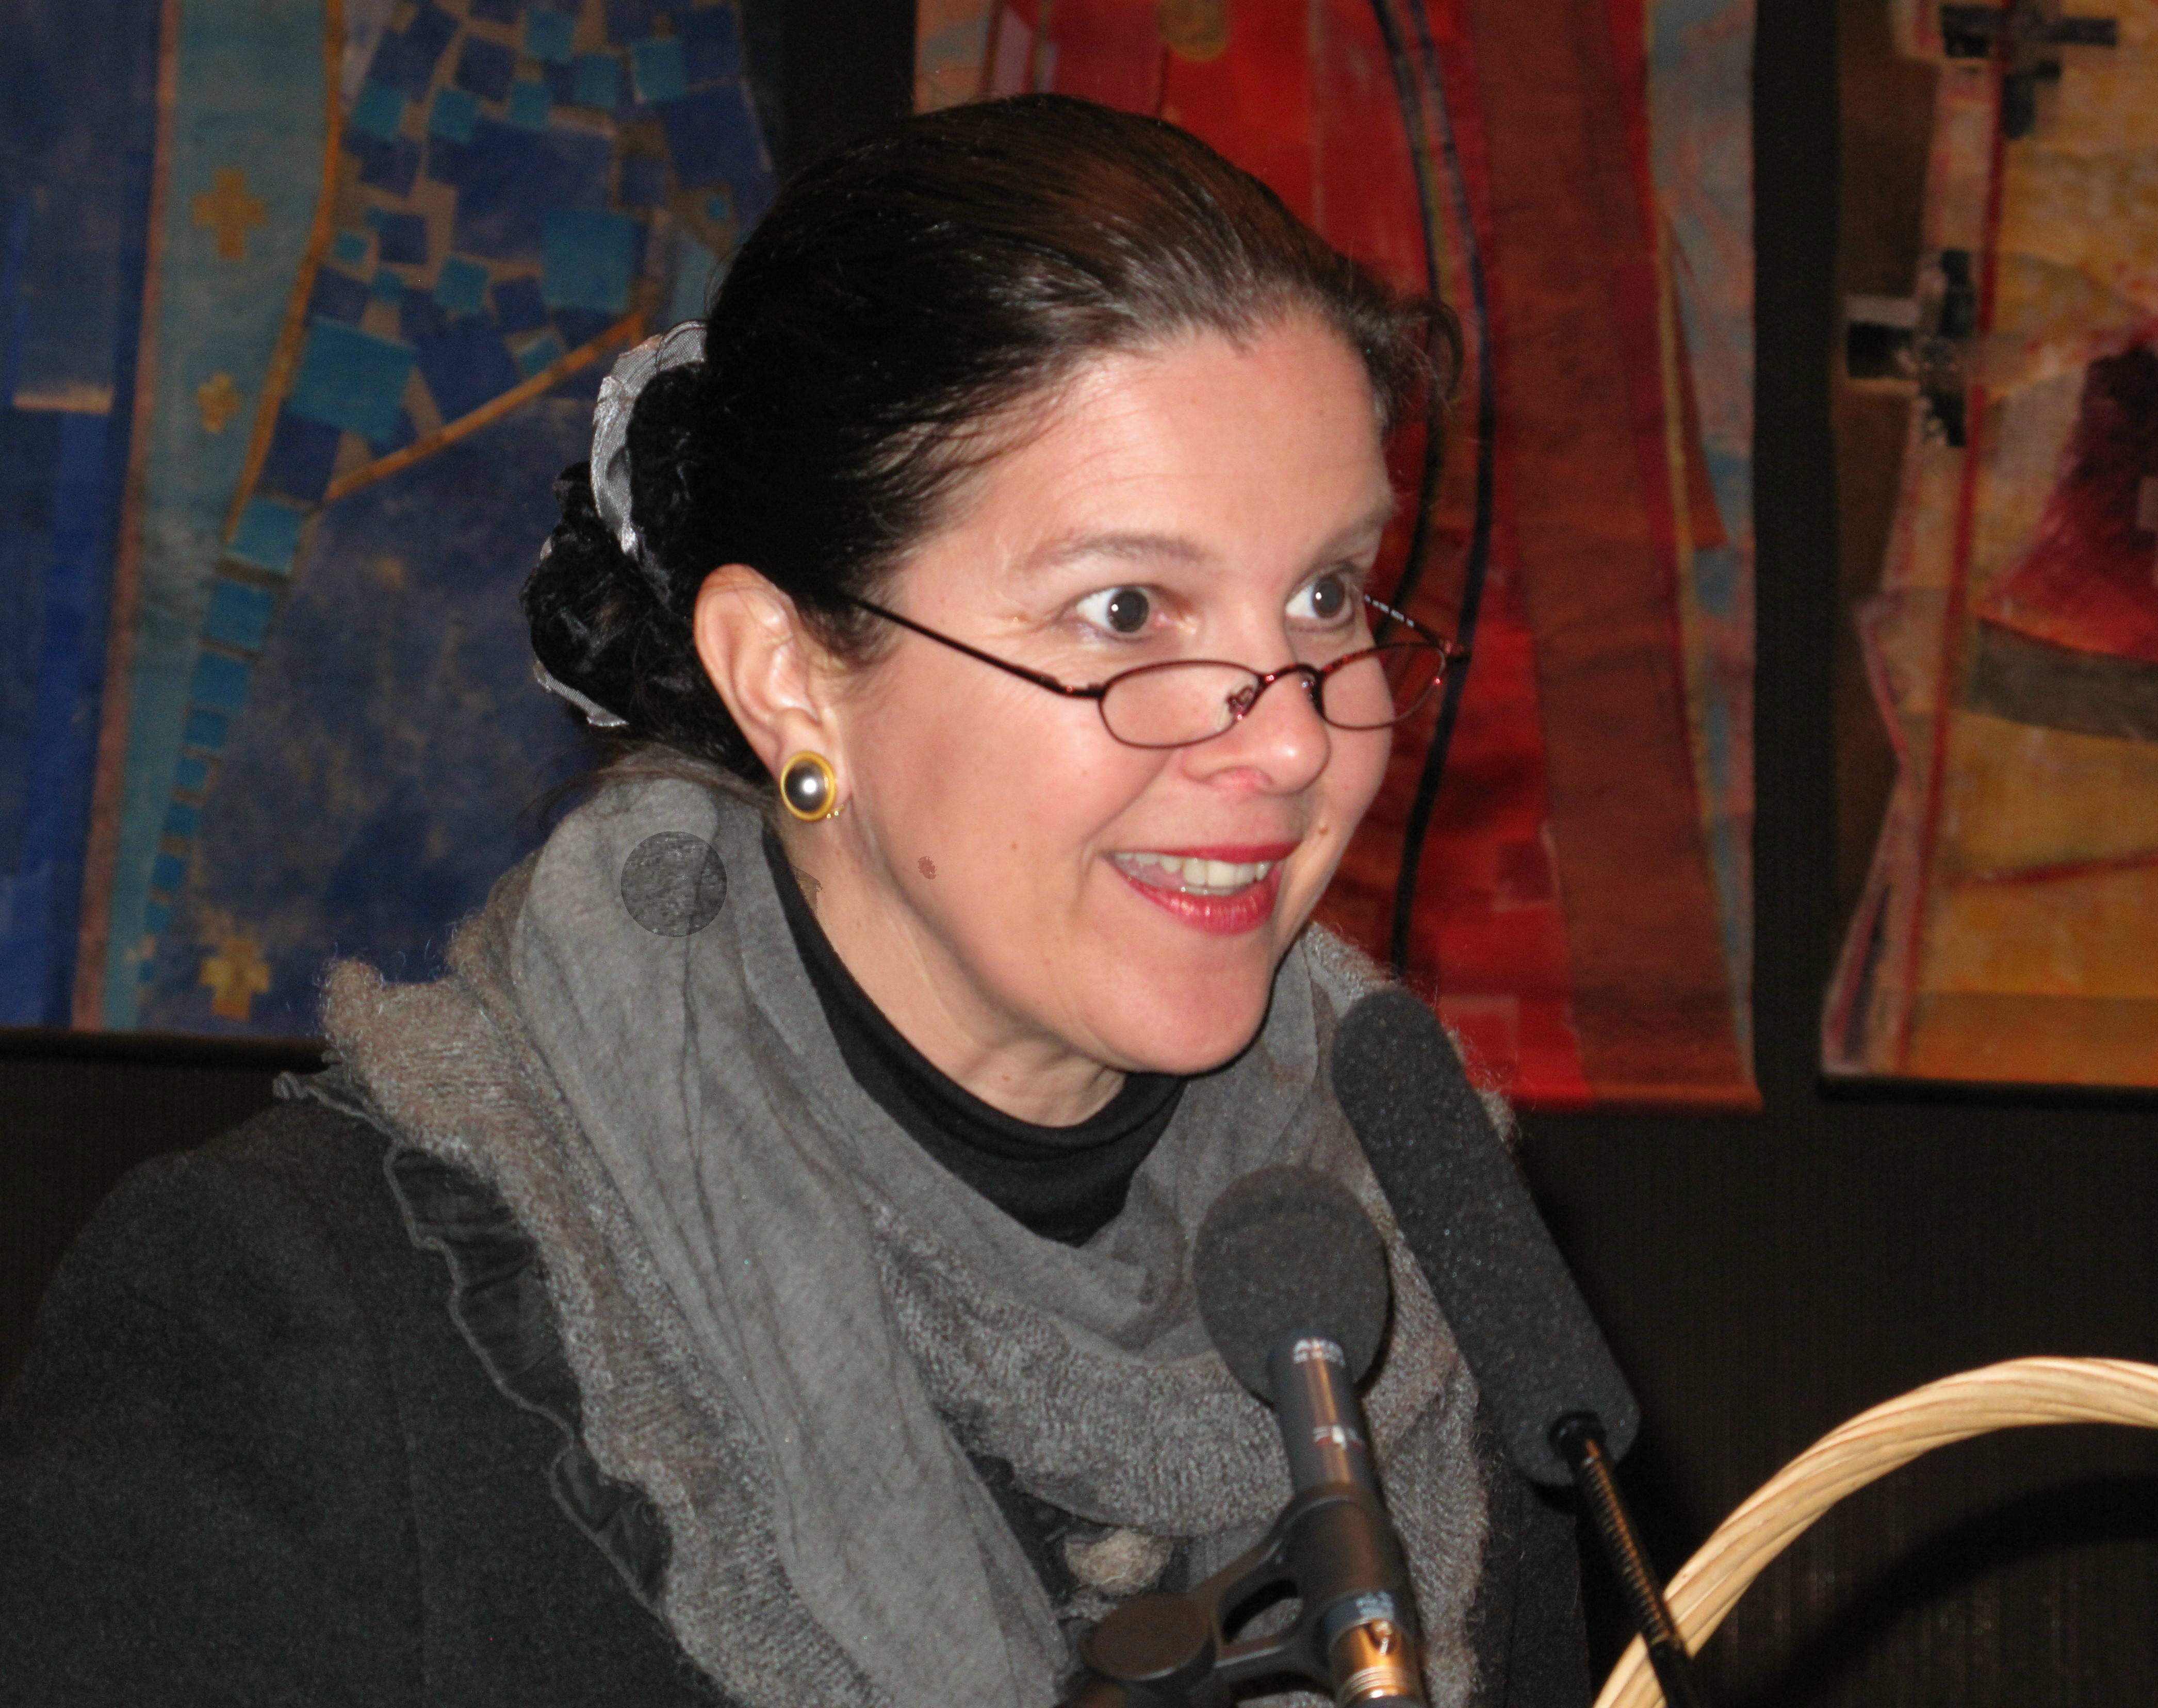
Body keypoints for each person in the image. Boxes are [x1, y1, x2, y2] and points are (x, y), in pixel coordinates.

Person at [0, 95, 1589, 1706]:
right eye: (1127, 609)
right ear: (786, 677)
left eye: (1326, 593)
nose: (1295, 738)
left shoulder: (1421, 1251)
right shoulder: (310, 1318)